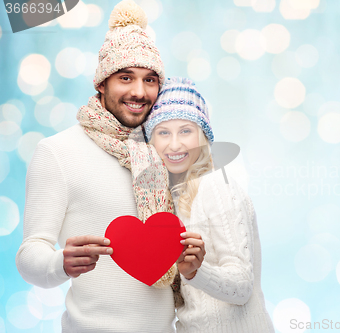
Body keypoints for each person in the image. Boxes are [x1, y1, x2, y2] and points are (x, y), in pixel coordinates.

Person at [16, 1, 203, 332]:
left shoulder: (158, 153)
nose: (138, 91)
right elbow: (29, 257)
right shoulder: (57, 152)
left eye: (150, 80)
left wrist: (193, 262)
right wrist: (60, 262)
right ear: (101, 83)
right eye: (126, 77)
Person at [145, 77, 275, 333]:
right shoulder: (169, 199)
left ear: (202, 136)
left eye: (185, 130)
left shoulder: (216, 185)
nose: (174, 144)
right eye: (163, 132)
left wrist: (195, 273)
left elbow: (241, 286)